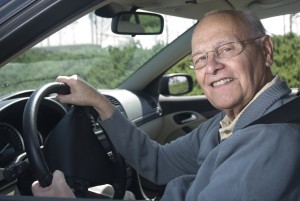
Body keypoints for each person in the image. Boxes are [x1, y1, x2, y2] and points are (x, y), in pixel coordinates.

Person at [32, 9, 300, 200]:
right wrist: (99, 103)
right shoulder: (228, 123)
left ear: (266, 51)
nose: (213, 67)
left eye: (227, 49)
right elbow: (159, 163)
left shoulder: (270, 140)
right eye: (200, 58)